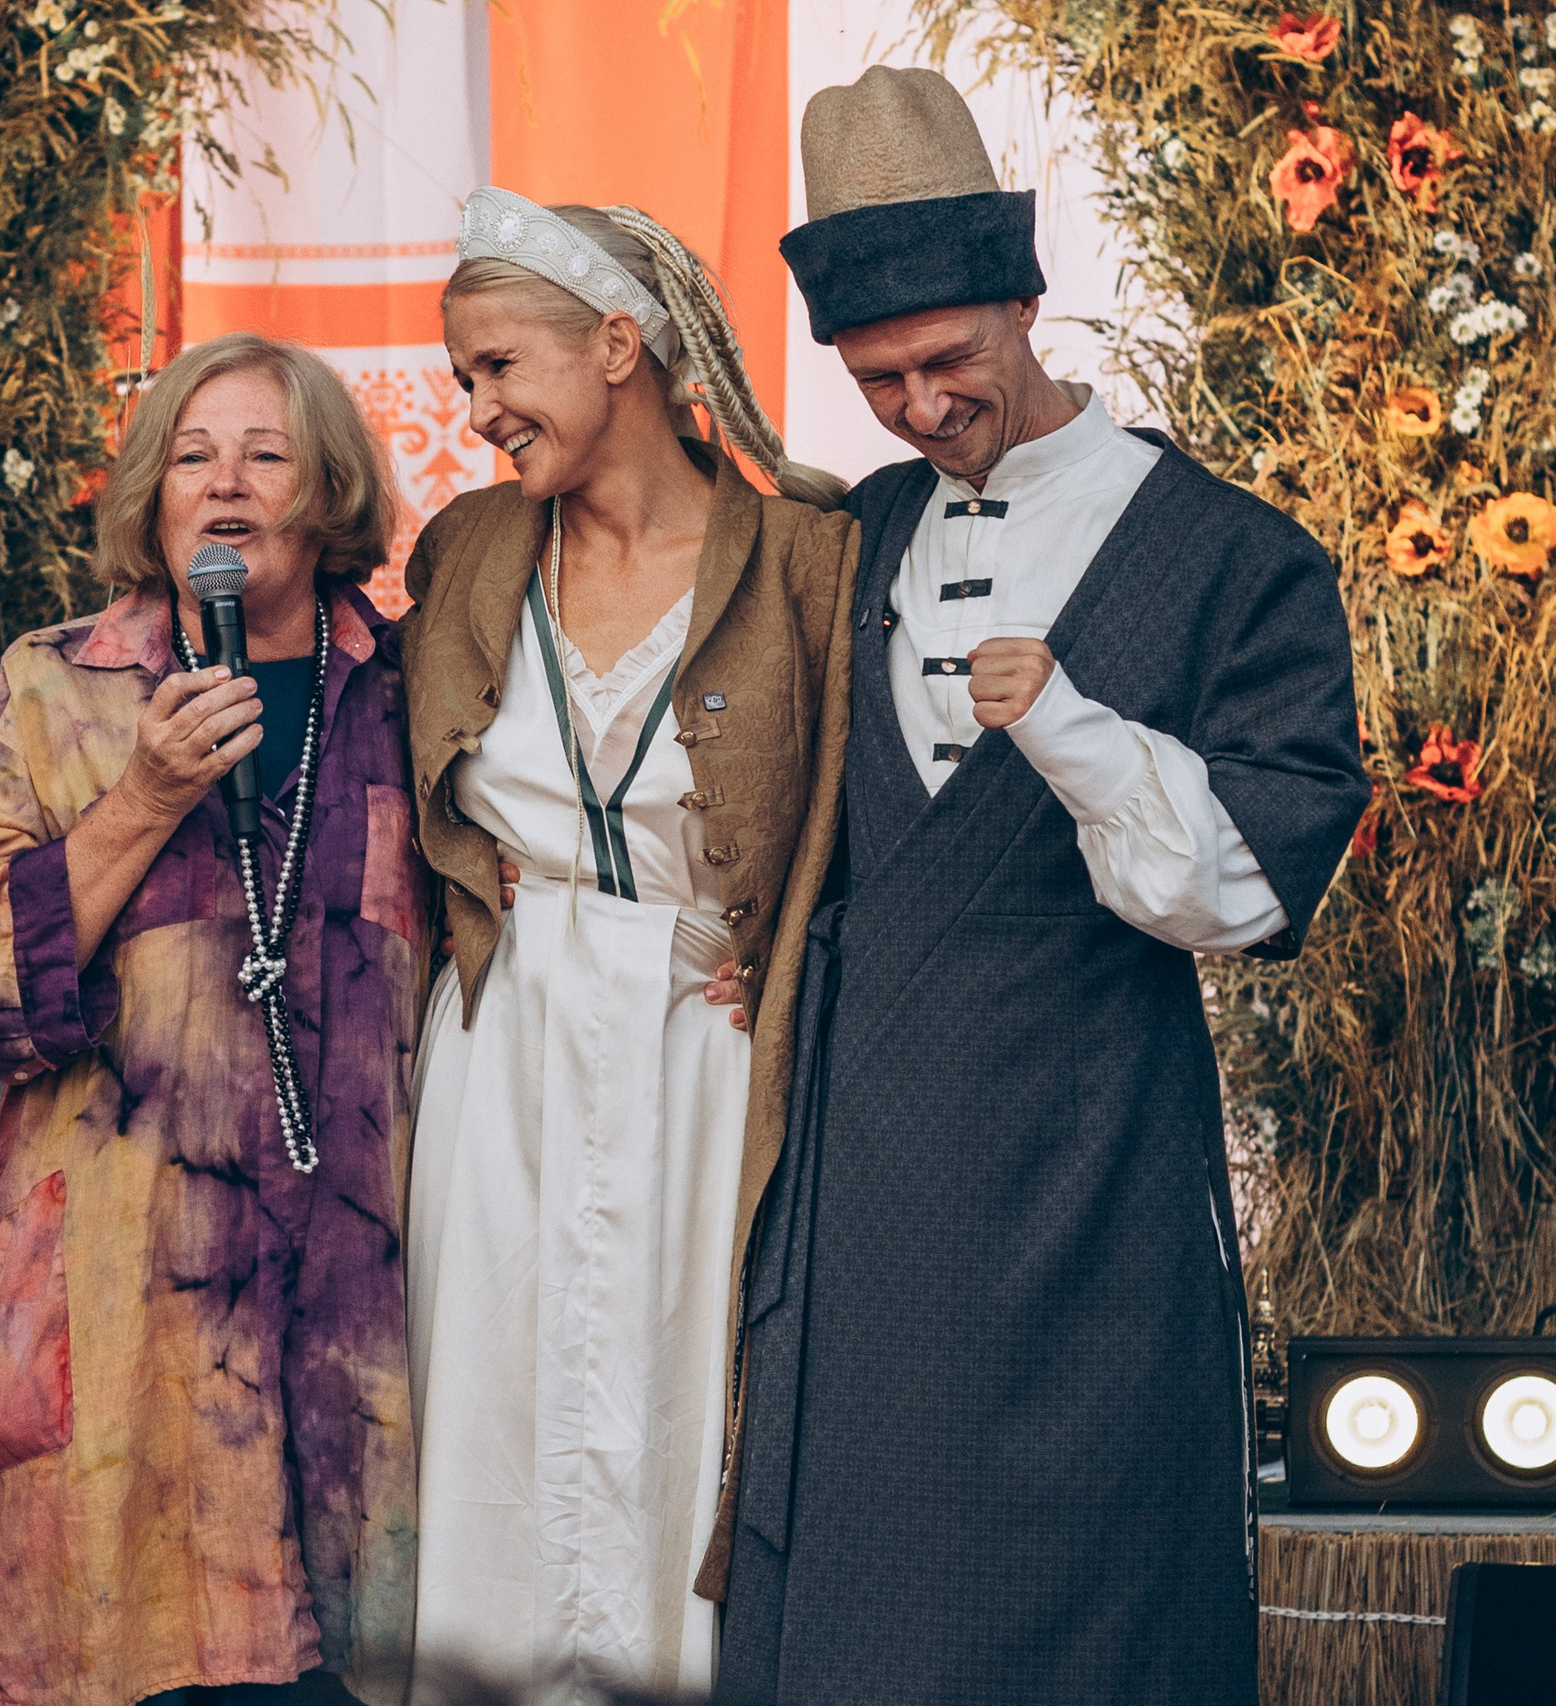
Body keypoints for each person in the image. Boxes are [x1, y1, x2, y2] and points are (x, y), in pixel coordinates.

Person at [713, 69, 1366, 1705]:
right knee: (862, 1597)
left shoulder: (1235, 556)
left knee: (1095, 1588)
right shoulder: (849, 535)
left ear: (1025, 295)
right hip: (859, 1174)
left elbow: (1253, 897)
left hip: (1093, 1164)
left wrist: (1070, 730)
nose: (924, 407)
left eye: (952, 360)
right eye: (880, 382)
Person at [0, 330, 425, 1706]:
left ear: (330, 495)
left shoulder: (417, 690)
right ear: (152, 490)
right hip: (125, 1301)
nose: (224, 484)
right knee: (106, 1648)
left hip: (365, 1308)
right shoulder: (64, 684)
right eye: (192, 454)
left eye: (266, 453)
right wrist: (144, 794)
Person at [394, 189, 856, 1694]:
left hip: (702, 1044)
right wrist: (477, 881)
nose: (476, 411)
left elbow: (865, 825)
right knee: (497, 1401)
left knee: (676, 1396)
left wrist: (772, 951)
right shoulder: (462, 552)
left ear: (617, 345)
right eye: (462, 377)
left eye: (498, 368)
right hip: (504, 1044)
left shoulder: (811, 554)